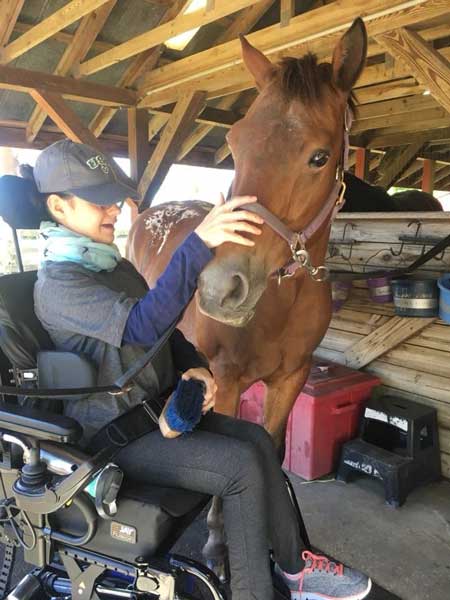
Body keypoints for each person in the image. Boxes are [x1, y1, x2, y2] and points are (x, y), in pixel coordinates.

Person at [28, 140, 371, 600]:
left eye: (113, 198)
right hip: (111, 437)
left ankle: (296, 570)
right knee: (240, 467)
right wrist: (198, 245)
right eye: (98, 201)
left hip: (152, 416)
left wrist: (196, 369)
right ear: (58, 206)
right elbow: (144, 326)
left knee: (257, 442)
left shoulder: (115, 268)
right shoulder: (60, 285)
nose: (113, 210)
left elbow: (168, 334)